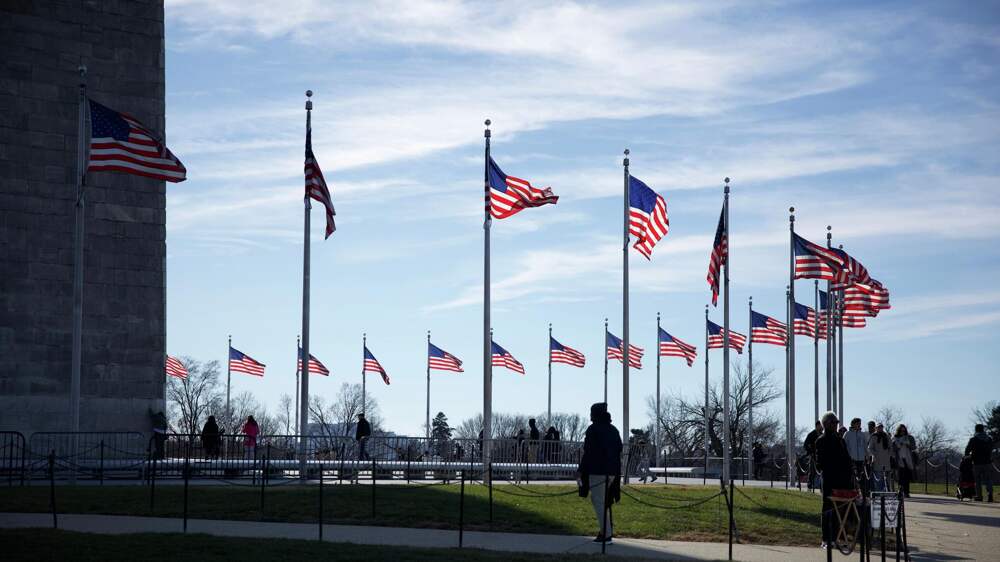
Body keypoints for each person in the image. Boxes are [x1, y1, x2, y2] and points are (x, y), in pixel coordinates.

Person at [578, 403, 622, 544]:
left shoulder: (593, 429)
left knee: (598, 501)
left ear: (595, 414)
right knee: (604, 501)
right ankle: (605, 530)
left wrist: (581, 470)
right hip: (613, 471)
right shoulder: (614, 430)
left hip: (597, 471)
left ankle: (606, 534)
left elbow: (588, 452)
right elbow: (619, 449)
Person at [815, 411, 855, 548]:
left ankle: (837, 538)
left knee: (841, 510)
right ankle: (826, 539)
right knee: (828, 509)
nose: (836, 425)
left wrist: (849, 474)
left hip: (842, 481)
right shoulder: (821, 440)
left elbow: (847, 459)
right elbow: (820, 463)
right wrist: (834, 466)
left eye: (837, 422)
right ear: (826, 424)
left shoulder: (840, 440)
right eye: (833, 422)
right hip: (829, 480)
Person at [964, 423, 995, 502]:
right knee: (988, 479)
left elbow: (967, 450)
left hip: (977, 462)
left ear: (976, 430)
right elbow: (992, 448)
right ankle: (990, 494)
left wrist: (967, 456)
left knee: (977, 480)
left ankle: (979, 496)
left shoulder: (973, 439)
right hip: (987, 462)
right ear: (983, 429)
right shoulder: (989, 439)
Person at [843, 418, 869, 492]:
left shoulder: (862, 434)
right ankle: (852, 491)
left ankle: (862, 493)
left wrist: (867, 457)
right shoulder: (847, 434)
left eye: (860, 423)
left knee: (861, 478)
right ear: (853, 424)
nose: (859, 425)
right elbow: (843, 446)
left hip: (861, 460)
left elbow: (865, 446)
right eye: (857, 423)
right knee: (852, 477)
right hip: (851, 460)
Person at [892, 424, 916, 498]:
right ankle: (900, 491)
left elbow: (914, 447)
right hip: (899, 459)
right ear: (898, 431)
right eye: (901, 431)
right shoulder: (895, 438)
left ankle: (906, 492)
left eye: (904, 431)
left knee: (907, 477)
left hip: (907, 459)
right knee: (900, 477)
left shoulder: (909, 437)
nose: (902, 432)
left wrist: (908, 445)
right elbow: (893, 448)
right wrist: (899, 444)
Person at [867, 423, 892, 492]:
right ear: (876, 428)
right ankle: (879, 493)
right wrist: (874, 455)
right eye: (878, 427)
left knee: (886, 479)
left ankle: (885, 492)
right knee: (878, 478)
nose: (880, 428)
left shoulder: (886, 436)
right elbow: (869, 448)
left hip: (886, 461)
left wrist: (889, 455)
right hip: (877, 461)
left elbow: (890, 446)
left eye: (881, 427)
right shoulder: (873, 436)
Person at [804, 421, 822, 490]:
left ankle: (821, 485)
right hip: (813, 456)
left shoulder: (822, 435)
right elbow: (805, 445)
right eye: (820, 425)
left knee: (821, 471)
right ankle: (810, 484)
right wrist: (810, 451)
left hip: (821, 456)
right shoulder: (811, 434)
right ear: (817, 426)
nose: (821, 427)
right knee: (812, 471)